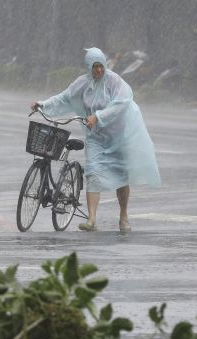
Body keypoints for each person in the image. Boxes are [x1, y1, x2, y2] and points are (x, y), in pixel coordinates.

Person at [30, 47, 161, 233]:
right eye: (94, 67)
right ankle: (91, 220)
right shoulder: (82, 83)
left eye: (100, 66)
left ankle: (124, 216)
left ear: (105, 65)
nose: (98, 70)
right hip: (95, 137)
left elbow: (122, 103)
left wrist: (99, 116)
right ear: (88, 67)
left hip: (118, 136)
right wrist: (42, 104)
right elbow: (64, 98)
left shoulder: (115, 81)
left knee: (121, 176)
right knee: (93, 172)